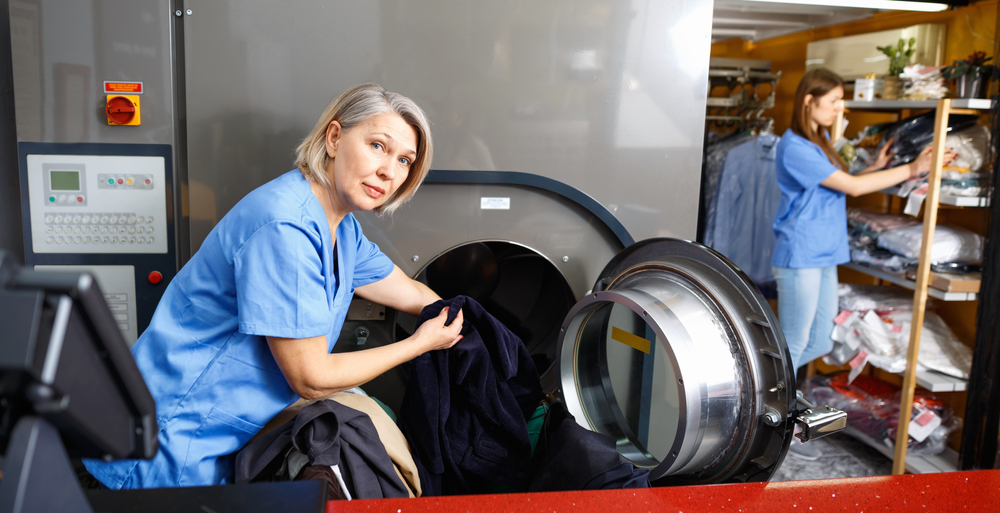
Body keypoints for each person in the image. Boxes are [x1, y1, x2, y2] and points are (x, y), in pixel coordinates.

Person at [84, 83, 465, 488]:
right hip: (164, 446)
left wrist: (473, 325)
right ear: (334, 138)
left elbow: (408, 292)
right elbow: (311, 376)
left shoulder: (343, 229)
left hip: (215, 445)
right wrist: (418, 344)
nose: (390, 171)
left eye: (405, 160)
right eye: (378, 146)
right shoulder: (285, 225)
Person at [770, 69, 955, 460]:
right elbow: (850, 188)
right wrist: (912, 169)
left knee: (819, 340)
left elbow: (840, 183)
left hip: (825, 252)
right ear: (809, 101)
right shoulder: (795, 146)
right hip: (801, 253)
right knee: (793, 343)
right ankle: (769, 420)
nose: (841, 108)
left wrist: (874, 169)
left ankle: (773, 406)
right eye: (834, 100)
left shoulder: (817, 141)